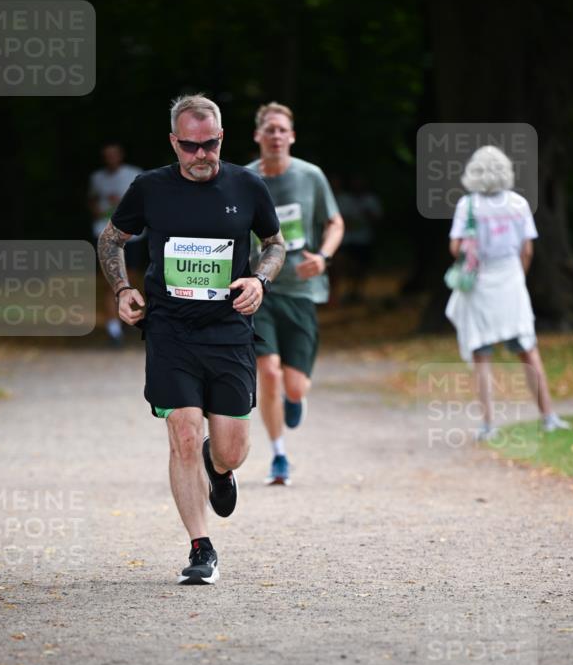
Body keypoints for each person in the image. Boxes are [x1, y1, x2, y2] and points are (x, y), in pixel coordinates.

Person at [97, 95, 285, 584]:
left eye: (211, 144)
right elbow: (111, 239)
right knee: (183, 431)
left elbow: (275, 244)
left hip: (228, 333)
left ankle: (218, 470)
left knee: (231, 450)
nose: (201, 155)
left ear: (222, 138)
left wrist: (259, 281)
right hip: (169, 330)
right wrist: (122, 289)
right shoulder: (149, 188)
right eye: (190, 146)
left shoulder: (247, 186)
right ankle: (201, 548)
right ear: (173, 143)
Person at [247, 102, 344, 485]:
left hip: (302, 290)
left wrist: (323, 257)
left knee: (294, 384)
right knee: (267, 373)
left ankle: (295, 397)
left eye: (282, 130)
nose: (275, 136)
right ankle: (279, 455)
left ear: (292, 136)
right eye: (269, 129)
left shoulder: (310, 176)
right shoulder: (245, 179)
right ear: (258, 136)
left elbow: (334, 222)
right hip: (261, 289)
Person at [445, 145, 571, 440]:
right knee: (528, 350)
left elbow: (455, 247)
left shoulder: (468, 205)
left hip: (479, 285)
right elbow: (527, 250)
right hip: (511, 282)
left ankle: (488, 424)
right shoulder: (518, 204)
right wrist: (519, 277)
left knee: (481, 355)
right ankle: (548, 416)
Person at [89, 143, 146, 345]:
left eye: (114, 155)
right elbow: (93, 201)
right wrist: (99, 210)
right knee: (109, 282)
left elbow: (143, 202)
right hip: (104, 234)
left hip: (132, 236)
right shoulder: (97, 178)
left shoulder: (134, 174)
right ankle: (114, 330)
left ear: (120, 155)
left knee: (131, 279)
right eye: (107, 155)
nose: (110, 158)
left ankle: (130, 321)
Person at [336, 175, 383, 303]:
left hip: (364, 239)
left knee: (361, 267)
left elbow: (377, 220)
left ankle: (358, 292)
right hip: (346, 240)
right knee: (347, 266)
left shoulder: (371, 199)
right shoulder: (344, 199)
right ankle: (347, 291)